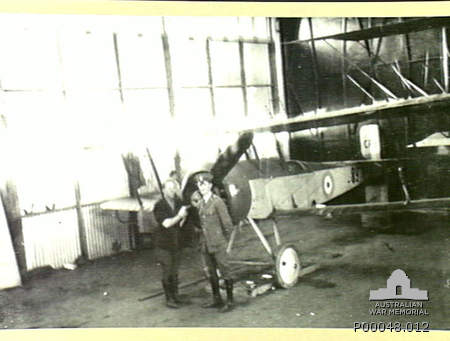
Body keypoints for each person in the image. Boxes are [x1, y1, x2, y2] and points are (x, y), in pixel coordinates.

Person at [195, 172, 235, 313]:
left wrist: (223, 240)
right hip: (206, 244)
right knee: (211, 272)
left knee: (225, 271)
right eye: (200, 185)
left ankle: (230, 301)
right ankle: (216, 299)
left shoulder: (217, 202)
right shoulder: (200, 204)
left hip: (218, 244)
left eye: (204, 184)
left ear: (210, 185)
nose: (202, 187)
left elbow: (228, 225)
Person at [153, 178, 189, 309]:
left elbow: (181, 222)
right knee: (167, 270)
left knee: (175, 271)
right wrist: (180, 216)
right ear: (164, 190)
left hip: (176, 243)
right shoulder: (159, 205)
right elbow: (167, 223)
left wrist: (183, 217)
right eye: (169, 188)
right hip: (163, 245)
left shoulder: (178, 202)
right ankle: (169, 299)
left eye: (173, 188)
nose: (172, 190)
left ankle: (176, 296)